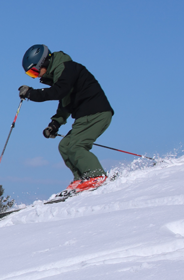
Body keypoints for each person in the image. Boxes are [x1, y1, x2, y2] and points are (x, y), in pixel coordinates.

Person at [18, 44, 114, 193]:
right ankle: (81, 178)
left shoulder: (66, 68)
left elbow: (58, 92)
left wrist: (32, 94)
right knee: (65, 146)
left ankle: (96, 176)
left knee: (76, 146)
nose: (37, 76)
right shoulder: (60, 75)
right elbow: (65, 103)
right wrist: (55, 124)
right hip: (85, 116)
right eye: (31, 74)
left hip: (96, 113)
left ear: (44, 62)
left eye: (34, 71)